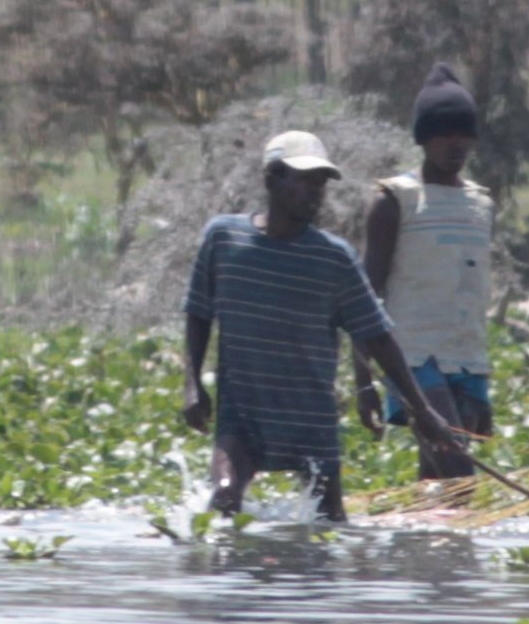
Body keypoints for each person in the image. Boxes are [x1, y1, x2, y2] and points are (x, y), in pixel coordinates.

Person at [182, 129, 432, 520]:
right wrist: (192, 383)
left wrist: (424, 412)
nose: (316, 192)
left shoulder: (334, 259)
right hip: (243, 416)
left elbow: (378, 338)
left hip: (311, 422)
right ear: (271, 179)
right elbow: (199, 313)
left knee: (330, 525)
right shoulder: (224, 239)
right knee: (225, 500)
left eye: (321, 183)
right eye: (305, 181)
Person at [362, 66, 497, 480]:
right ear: (423, 138)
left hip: (467, 358)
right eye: (444, 133)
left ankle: (421, 543)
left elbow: (471, 290)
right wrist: (363, 379)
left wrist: (482, 382)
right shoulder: (394, 201)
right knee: (458, 470)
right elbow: (365, 296)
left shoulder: (480, 204)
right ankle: (447, 544)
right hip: (414, 359)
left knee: (438, 480)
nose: (456, 143)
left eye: (464, 133)